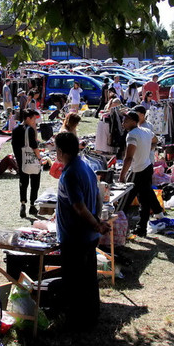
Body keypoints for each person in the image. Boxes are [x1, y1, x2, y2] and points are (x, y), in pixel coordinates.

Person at [54, 132, 111, 328]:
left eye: (56, 151)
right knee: (87, 278)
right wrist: (98, 223)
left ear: (61, 151)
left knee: (75, 280)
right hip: (87, 235)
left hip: (75, 237)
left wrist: (97, 225)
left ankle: (77, 321)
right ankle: (90, 316)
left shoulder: (70, 173)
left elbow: (80, 207)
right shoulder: (85, 166)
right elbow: (96, 196)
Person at [120, 112, 163, 237]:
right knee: (144, 199)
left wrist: (122, 175)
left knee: (124, 200)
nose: (123, 123)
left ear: (134, 121)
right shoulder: (146, 131)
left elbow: (128, 158)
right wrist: (149, 148)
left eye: (126, 121)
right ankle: (141, 228)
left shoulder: (132, 135)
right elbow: (156, 140)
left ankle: (120, 227)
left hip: (137, 170)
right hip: (147, 167)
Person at [11, 108, 42, 218]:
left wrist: (18, 159)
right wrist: (39, 158)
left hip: (21, 160)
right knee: (35, 183)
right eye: (33, 119)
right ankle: (32, 205)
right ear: (28, 118)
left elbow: (13, 145)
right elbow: (34, 146)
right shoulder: (29, 130)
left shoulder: (15, 129)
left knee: (23, 183)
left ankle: (23, 204)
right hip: (32, 160)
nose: (34, 121)